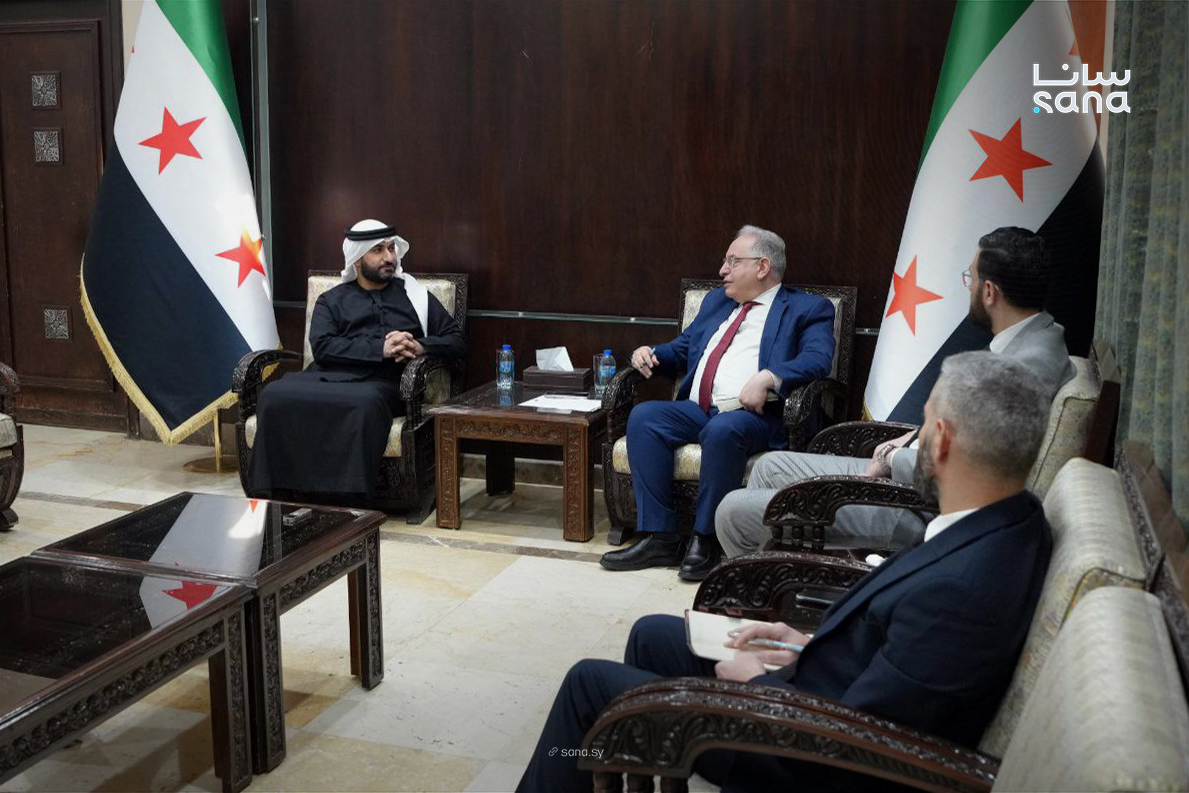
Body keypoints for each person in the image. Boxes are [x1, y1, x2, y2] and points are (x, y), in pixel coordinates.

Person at [518, 351, 1053, 793]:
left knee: (588, 684)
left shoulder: (964, 587)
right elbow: (895, 658)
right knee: (654, 635)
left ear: (944, 440)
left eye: (921, 429)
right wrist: (804, 644)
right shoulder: (1007, 521)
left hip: (800, 753)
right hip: (815, 694)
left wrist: (761, 688)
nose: (908, 445)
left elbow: (870, 741)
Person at [716, 226, 1077, 557]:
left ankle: (769, 584)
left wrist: (891, 459)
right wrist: (911, 438)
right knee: (772, 466)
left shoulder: (1024, 369)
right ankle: (781, 581)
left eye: (970, 278)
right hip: (911, 470)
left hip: (914, 506)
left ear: (989, 292)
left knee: (732, 511)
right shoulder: (1034, 339)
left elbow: (966, 470)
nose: (967, 288)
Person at [600, 225, 836, 580]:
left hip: (760, 416)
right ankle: (661, 537)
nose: (722, 270)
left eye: (732, 261)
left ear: (762, 266)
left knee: (724, 428)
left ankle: (706, 539)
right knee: (646, 417)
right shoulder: (717, 302)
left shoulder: (807, 308)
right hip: (699, 410)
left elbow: (818, 359)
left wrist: (769, 377)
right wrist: (650, 353)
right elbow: (684, 348)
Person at [245, 219, 465, 502]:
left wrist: (420, 345)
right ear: (357, 260)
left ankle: (348, 497)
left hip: (381, 383)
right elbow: (323, 346)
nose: (389, 257)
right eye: (378, 250)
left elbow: (456, 340)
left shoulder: (416, 297)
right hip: (324, 377)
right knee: (274, 394)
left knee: (364, 404)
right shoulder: (331, 300)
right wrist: (380, 348)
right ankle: (276, 492)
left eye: (391, 249)